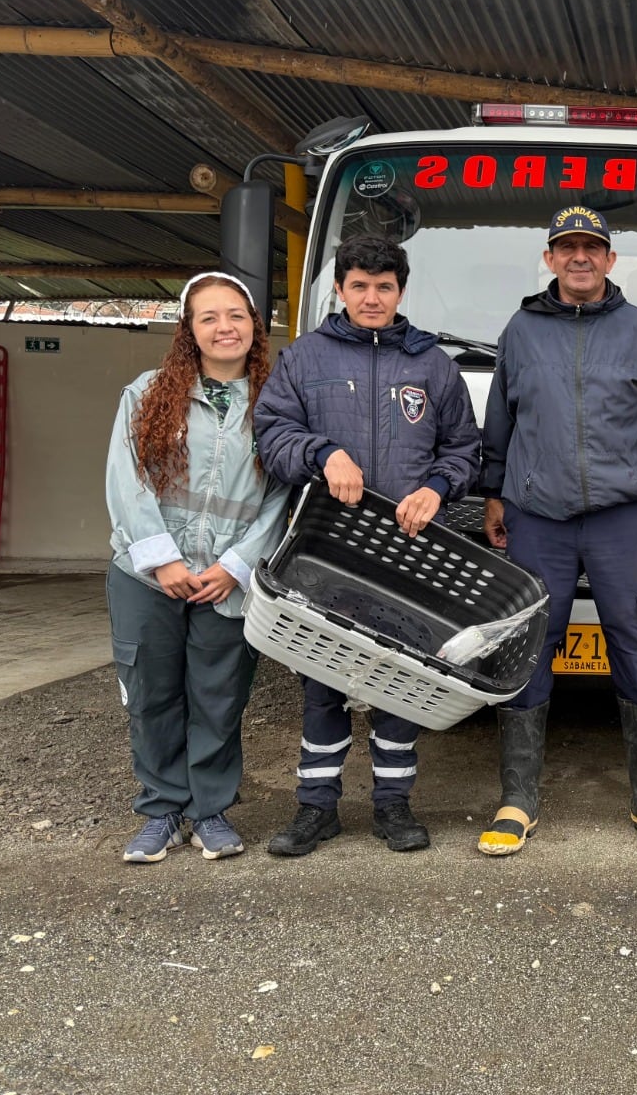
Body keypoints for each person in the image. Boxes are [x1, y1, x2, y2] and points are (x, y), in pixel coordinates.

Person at [254, 234, 481, 855]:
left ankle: (393, 805)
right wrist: (323, 453)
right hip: (325, 548)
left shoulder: (433, 365)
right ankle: (316, 807)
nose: (372, 298)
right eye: (359, 286)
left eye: (384, 287)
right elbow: (272, 435)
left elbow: (465, 448)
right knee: (322, 676)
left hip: (408, 550)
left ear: (400, 291)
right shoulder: (305, 358)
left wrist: (438, 487)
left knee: (401, 675)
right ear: (339, 289)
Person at [478, 206, 637, 856]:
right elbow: (501, 422)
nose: (579, 257)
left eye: (591, 247)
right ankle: (518, 799)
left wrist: (630, 463)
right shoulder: (521, 330)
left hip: (620, 517)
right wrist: (494, 494)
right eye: (566, 247)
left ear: (610, 259)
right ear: (549, 258)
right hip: (538, 516)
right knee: (529, 643)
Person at [105, 271, 290, 864]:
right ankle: (161, 810)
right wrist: (161, 559)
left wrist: (238, 566)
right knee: (152, 692)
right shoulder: (147, 392)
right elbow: (127, 480)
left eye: (235, 315)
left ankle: (210, 810)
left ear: (254, 325)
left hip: (226, 579)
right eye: (208, 317)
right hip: (147, 575)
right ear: (189, 329)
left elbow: (282, 499)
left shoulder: (275, 403)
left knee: (218, 696)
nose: (224, 327)